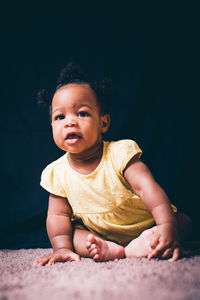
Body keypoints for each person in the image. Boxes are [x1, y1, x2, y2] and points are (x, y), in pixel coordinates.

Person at [34, 62, 192, 266]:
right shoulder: (56, 173)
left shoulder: (119, 153)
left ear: (104, 123)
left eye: (82, 113)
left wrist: (166, 224)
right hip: (101, 235)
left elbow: (146, 187)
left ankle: (148, 239)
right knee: (74, 234)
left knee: (183, 223)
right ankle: (109, 248)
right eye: (60, 116)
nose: (69, 122)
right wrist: (61, 248)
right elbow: (57, 216)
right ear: (52, 126)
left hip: (146, 224)